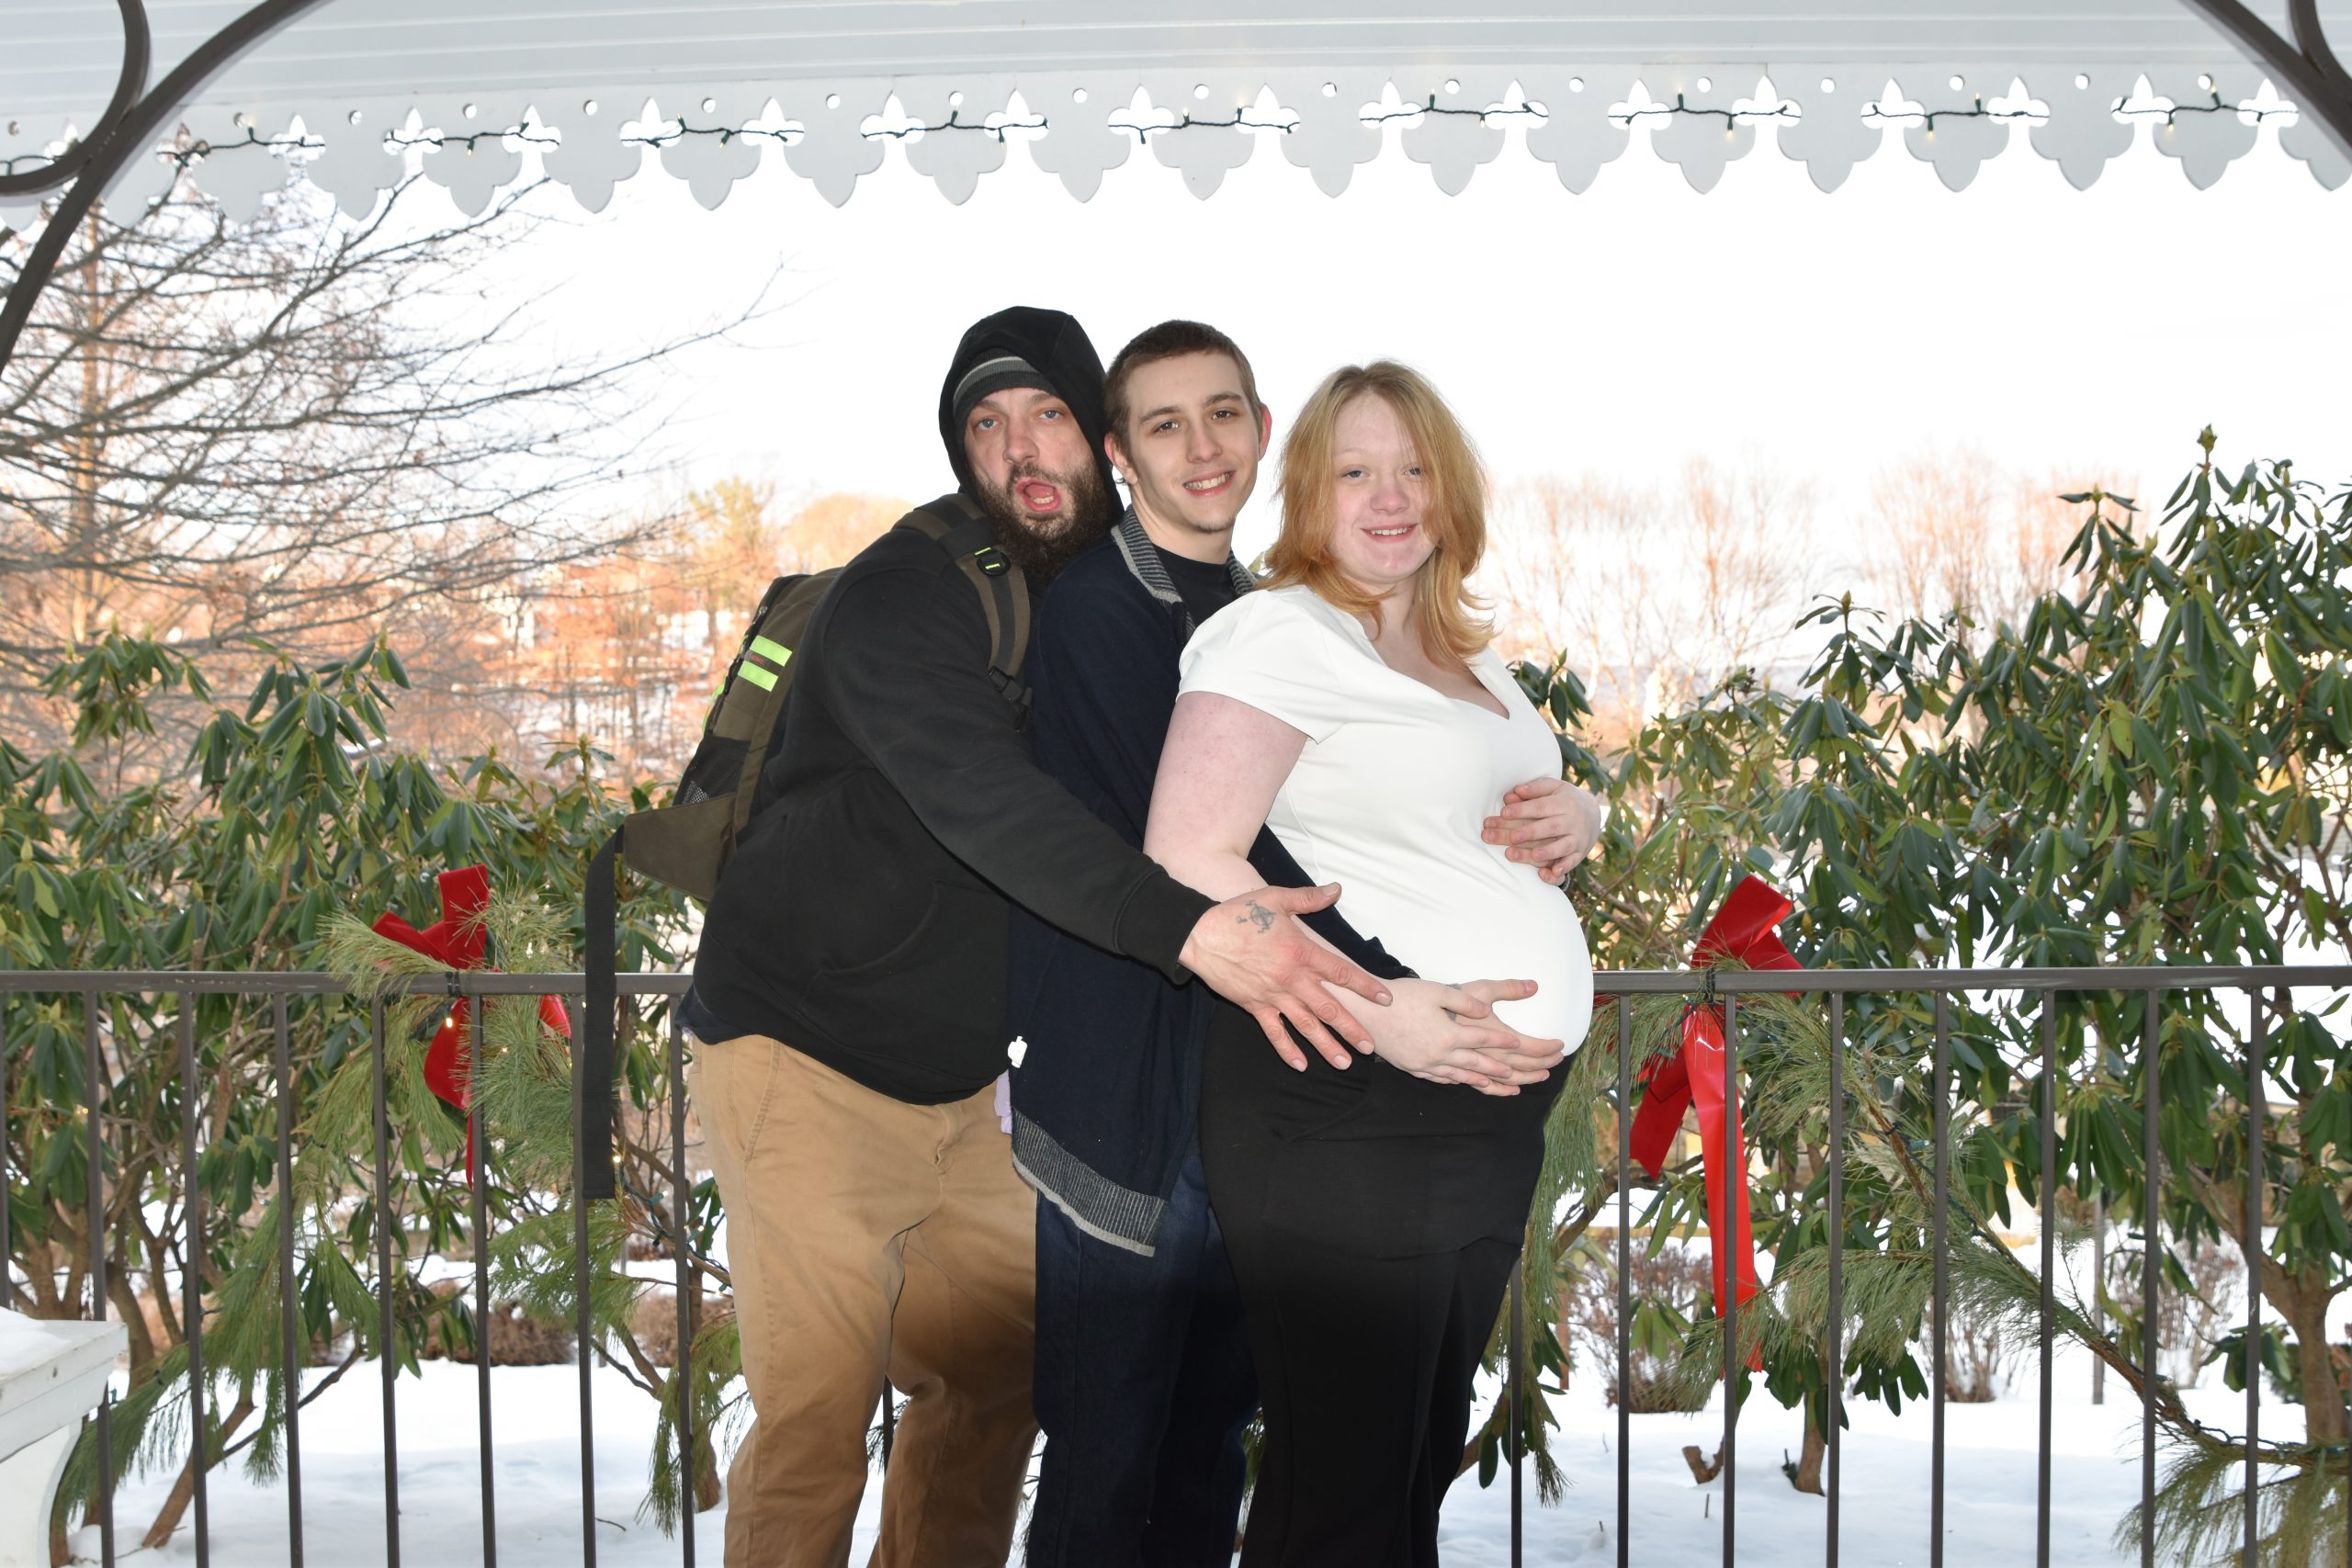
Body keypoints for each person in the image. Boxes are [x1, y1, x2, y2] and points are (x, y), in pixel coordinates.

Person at [681, 307, 1405, 1568]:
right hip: (802, 1057)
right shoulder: (907, 592)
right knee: (817, 1419)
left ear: (1097, 440)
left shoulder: (1110, 599)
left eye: (1048, 415)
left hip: (964, 1088)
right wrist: (1190, 933)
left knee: (992, 1391)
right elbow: (986, 803)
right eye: (986, 424)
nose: (1020, 448)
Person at [1008, 321, 1598, 1567]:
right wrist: (1385, 1009)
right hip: (1350, 1102)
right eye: (1357, 473)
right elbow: (1191, 858)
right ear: (1310, 487)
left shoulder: (1469, 652)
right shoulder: (1273, 630)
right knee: (1319, 1488)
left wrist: (1578, 814)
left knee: (1401, 1470)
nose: (1391, 498)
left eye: (1415, 469)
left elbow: (1446, 822)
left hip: (1477, 1121)